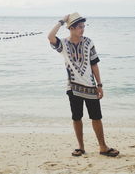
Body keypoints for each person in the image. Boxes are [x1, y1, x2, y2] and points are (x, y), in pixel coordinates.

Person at [48, 12, 119, 157]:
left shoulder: (88, 42)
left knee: (96, 118)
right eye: (80, 27)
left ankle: (103, 147)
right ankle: (80, 147)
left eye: (83, 26)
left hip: (91, 87)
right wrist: (62, 21)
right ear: (71, 28)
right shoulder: (64, 45)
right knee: (76, 118)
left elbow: (94, 64)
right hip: (73, 88)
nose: (82, 29)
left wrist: (99, 85)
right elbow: (50, 37)